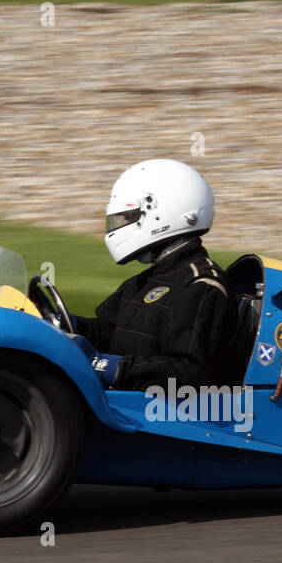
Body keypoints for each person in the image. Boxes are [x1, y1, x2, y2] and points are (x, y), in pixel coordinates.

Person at [73, 159, 235, 390]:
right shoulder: (145, 281)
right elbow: (108, 333)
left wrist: (112, 368)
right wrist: (61, 323)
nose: (117, 226)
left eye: (125, 218)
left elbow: (187, 373)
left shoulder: (201, 285)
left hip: (166, 419)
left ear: (160, 212)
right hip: (127, 408)